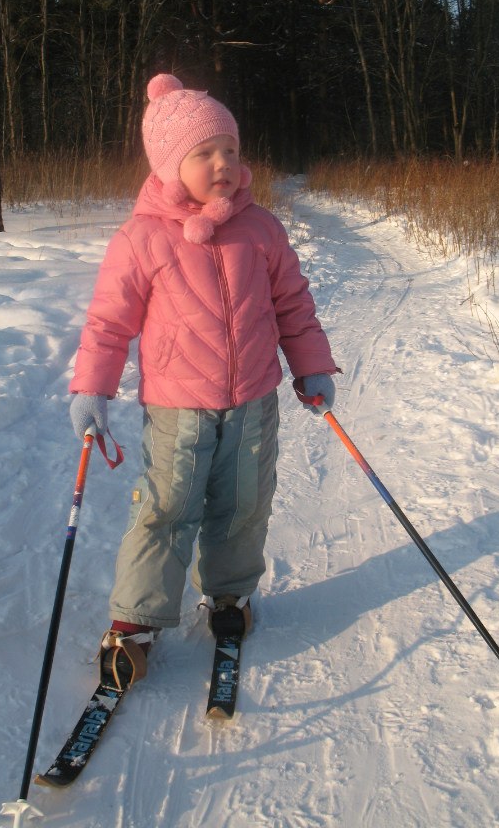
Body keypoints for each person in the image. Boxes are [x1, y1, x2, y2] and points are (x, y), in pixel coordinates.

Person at [69, 72, 338, 686]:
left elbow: (294, 305)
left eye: (231, 149)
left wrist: (312, 366)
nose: (222, 163)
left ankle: (229, 595)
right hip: (176, 407)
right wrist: (92, 388)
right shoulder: (141, 238)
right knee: (167, 509)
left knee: (244, 504)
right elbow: (109, 323)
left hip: (252, 400)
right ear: (169, 166)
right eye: (203, 153)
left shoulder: (262, 230)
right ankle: (135, 621)